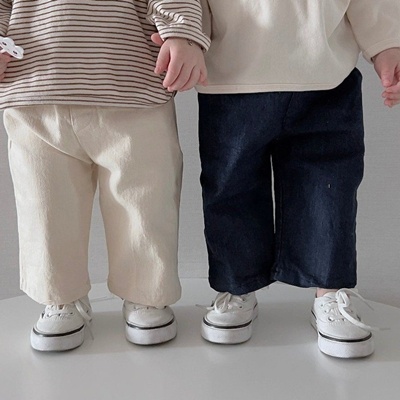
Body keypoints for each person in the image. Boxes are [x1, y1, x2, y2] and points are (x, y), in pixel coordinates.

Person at [194, 0, 400, 358]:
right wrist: (184, 37)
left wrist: (386, 45)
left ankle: (329, 288)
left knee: (329, 187)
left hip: (326, 75)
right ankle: (237, 283)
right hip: (230, 76)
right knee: (231, 187)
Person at [0, 0, 209, 352]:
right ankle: (60, 296)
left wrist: (182, 34)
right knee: (45, 204)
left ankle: (146, 293)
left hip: (132, 86)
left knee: (145, 201)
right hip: (35, 89)